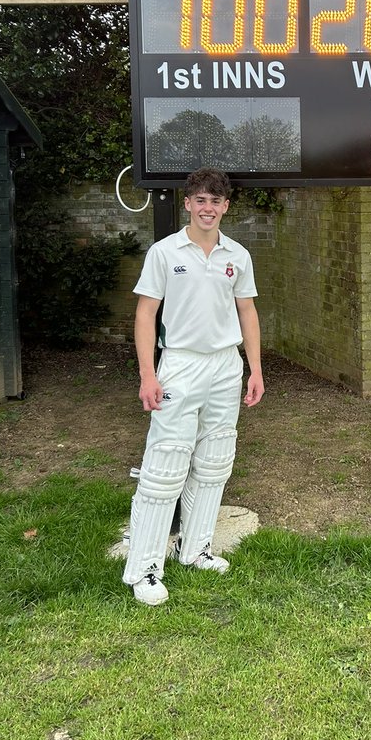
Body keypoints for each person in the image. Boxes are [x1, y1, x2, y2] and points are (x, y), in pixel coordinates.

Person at [122, 167, 264, 605]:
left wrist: (254, 368)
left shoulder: (236, 255)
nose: (207, 208)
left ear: (225, 207)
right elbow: (146, 314)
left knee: (216, 459)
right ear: (188, 204)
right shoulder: (165, 253)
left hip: (225, 365)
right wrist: (148, 373)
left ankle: (195, 546)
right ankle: (144, 568)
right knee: (165, 465)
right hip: (180, 364)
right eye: (200, 200)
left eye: (215, 201)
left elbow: (248, 314)